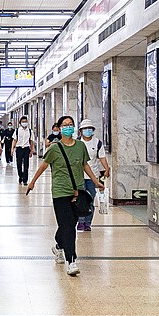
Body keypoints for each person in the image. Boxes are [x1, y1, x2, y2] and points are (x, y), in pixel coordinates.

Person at [25, 115, 104, 276]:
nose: (68, 127)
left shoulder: (80, 146)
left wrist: (96, 181)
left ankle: (58, 246)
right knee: (68, 227)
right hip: (60, 192)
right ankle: (72, 261)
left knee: (68, 225)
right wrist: (32, 181)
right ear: (60, 128)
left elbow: (84, 165)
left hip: (77, 191)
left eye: (71, 124)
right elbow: (44, 165)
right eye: (65, 125)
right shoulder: (54, 148)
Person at [76, 119, 110, 232]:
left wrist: (107, 168)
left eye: (89, 129)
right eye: (85, 129)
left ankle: (88, 223)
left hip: (93, 177)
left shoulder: (97, 143)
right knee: (80, 200)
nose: (87, 131)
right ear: (81, 131)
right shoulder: (76, 142)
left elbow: (102, 157)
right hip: (79, 176)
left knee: (90, 200)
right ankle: (80, 221)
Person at [13, 115, 33, 186]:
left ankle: (25, 180)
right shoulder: (17, 130)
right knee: (19, 164)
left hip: (26, 149)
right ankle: (20, 176)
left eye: (25, 121)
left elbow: (31, 141)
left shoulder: (30, 131)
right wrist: (12, 149)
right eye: (23, 121)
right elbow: (15, 140)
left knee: (26, 165)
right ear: (20, 123)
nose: (24, 123)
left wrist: (32, 150)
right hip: (19, 148)